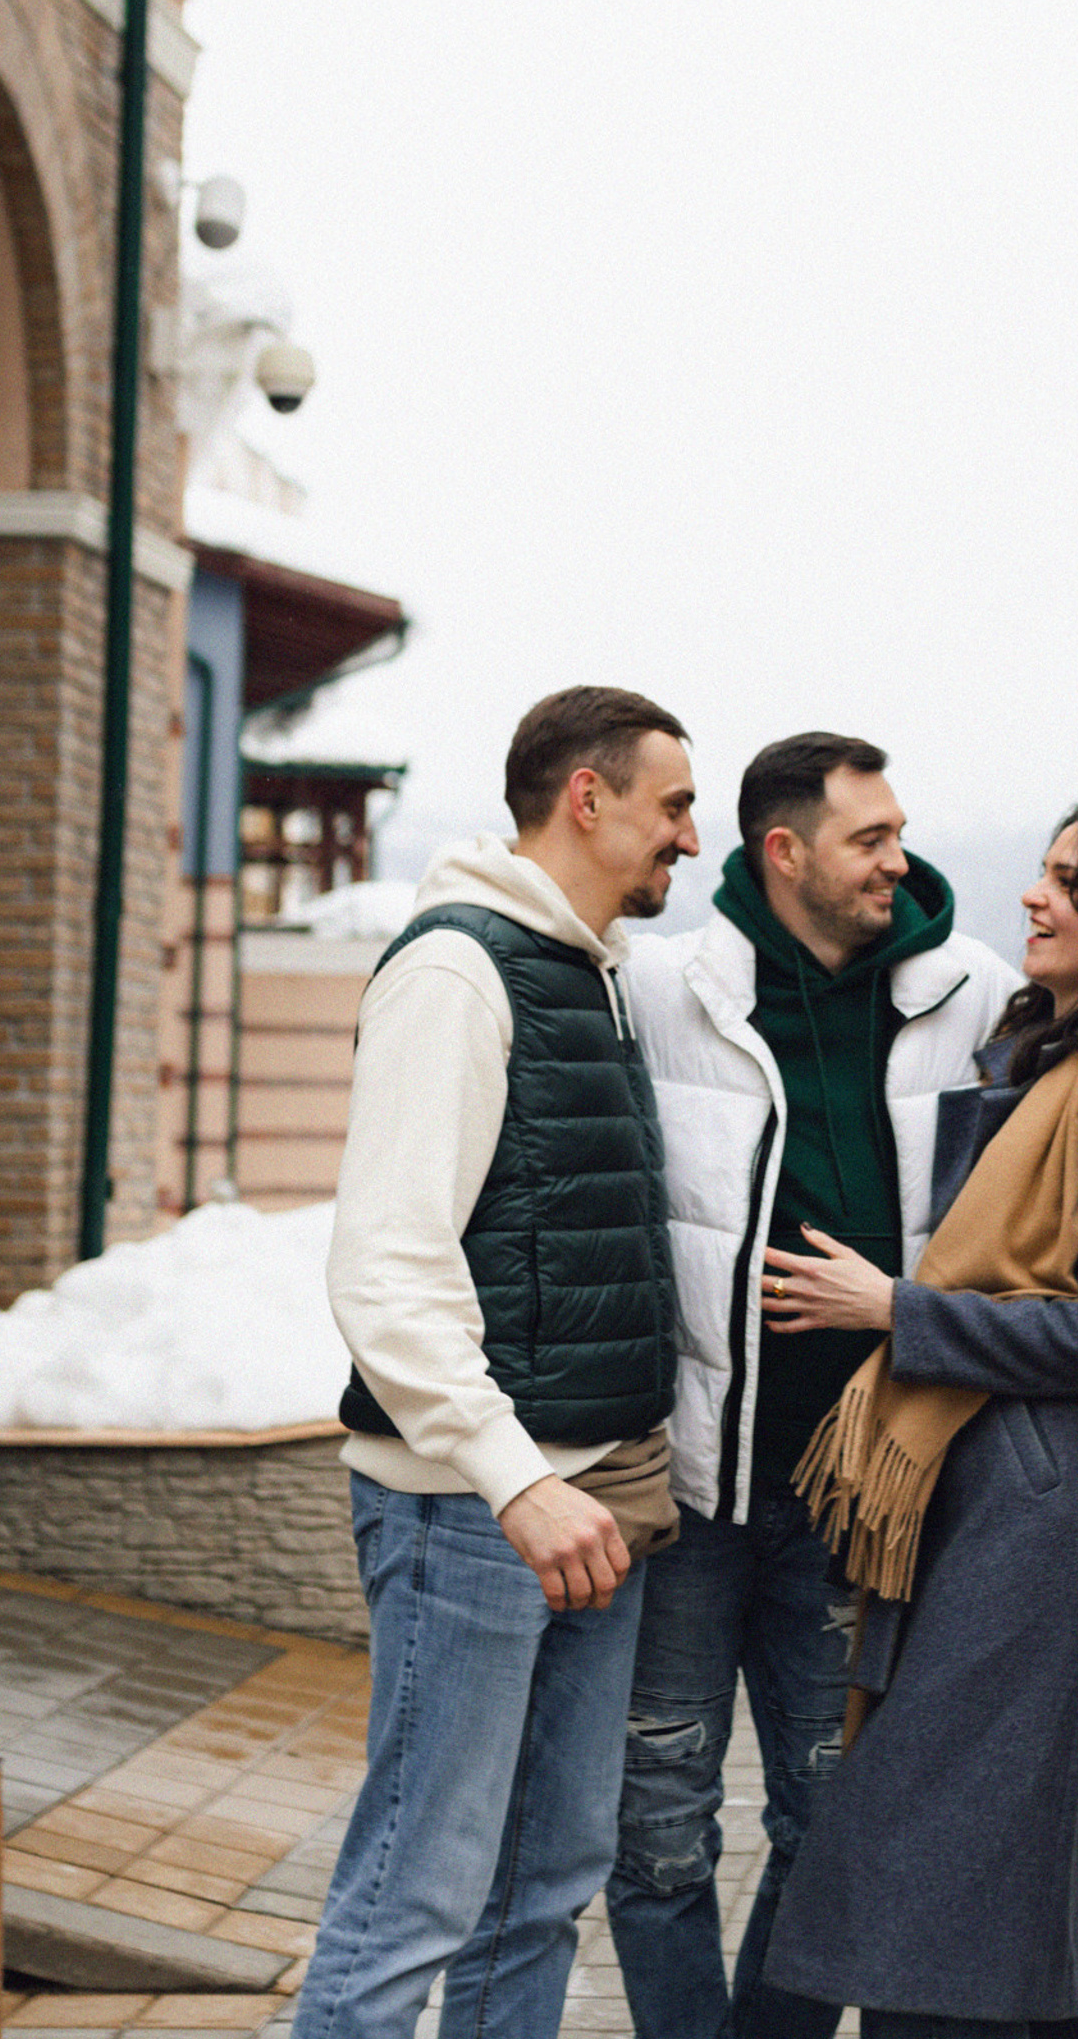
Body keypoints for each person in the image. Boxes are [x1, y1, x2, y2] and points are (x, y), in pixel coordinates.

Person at [755, 804, 1078, 2039]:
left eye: (1067, 883)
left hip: (1043, 1512)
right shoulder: (1044, 1057)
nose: (1033, 896)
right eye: (1041, 872)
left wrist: (895, 1310)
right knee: (980, 1876)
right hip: (970, 1491)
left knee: (929, 1858)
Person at [292, 687, 702, 2039]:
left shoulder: (591, 967)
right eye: (673, 807)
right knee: (418, 1890)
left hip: (588, 1508)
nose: (688, 841)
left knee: (539, 1889)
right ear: (588, 799)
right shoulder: (457, 969)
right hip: (476, 1514)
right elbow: (387, 1270)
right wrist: (514, 1480)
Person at [609, 734, 1018, 2039]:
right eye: (868, 840)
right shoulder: (663, 990)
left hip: (856, 1502)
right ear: (784, 853)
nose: (898, 863)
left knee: (834, 1828)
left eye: (898, 833)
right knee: (661, 1837)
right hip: (685, 1496)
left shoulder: (973, 1000)